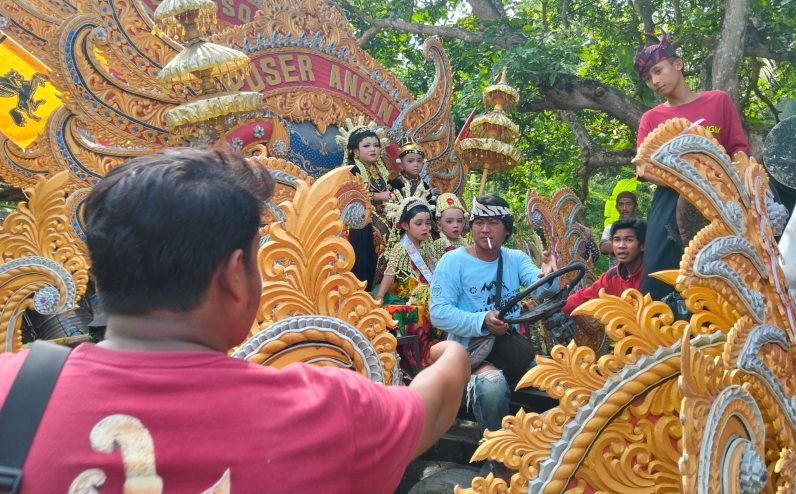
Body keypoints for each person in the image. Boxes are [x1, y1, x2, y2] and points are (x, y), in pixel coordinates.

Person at [0, 147, 470, 494]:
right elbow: (435, 403)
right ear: (234, 276)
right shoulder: (324, 410)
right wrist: (451, 351)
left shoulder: (11, 393)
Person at [635, 33, 751, 302]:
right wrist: (688, 180)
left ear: (678, 64)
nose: (655, 81)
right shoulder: (651, 118)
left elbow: (739, 150)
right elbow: (643, 168)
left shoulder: (718, 101)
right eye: (648, 78)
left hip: (723, 196)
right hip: (670, 198)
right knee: (659, 275)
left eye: (658, 71)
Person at [429, 195, 557, 434]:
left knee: (558, 379)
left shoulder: (515, 258)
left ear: (506, 229)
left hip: (510, 350)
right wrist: (483, 320)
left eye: (493, 223)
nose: (485, 229)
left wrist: (550, 275)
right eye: (478, 222)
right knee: (492, 387)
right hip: (471, 354)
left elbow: (543, 288)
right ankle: (496, 456)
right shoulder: (452, 261)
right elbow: (439, 313)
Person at [376, 189, 441, 371]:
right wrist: (380, 296)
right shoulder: (400, 248)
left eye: (428, 223)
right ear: (405, 225)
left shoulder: (429, 247)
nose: (425, 228)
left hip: (424, 292)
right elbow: (390, 273)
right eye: (418, 223)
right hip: (405, 295)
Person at [338, 120, 394, 290]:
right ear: (355, 150)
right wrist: (379, 196)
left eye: (376, 145)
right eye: (367, 145)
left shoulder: (380, 170)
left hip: (383, 213)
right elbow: (352, 197)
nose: (373, 149)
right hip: (359, 220)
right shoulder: (352, 169)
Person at [562, 218, 647, 316]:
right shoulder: (612, 276)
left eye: (629, 240)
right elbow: (584, 297)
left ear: (643, 245)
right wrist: (558, 307)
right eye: (617, 240)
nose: (621, 246)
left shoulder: (653, 273)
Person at [389, 136, 435, 204]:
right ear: (400, 164)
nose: (416, 164)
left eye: (419, 161)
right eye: (410, 161)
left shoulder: (424, 185)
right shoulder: (396, 184)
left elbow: (431, 206)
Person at [599, 191, 638, 266]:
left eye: (628, 204)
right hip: (615, 274)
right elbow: (603, 247)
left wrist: (615, 245)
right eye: (621, 204)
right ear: (616, 207)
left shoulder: (643, 227)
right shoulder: (610, 228)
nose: (624, 208)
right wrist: (635, 246)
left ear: (635, 206)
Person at [431, 193, 468, 260]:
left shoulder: (464, 242)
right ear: (439, 225)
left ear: (464, 223)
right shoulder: (439, 244)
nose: (456, 225)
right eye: (449, 221)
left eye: (459, 221)